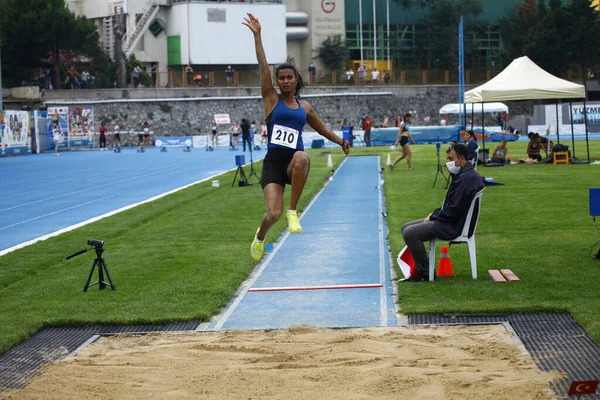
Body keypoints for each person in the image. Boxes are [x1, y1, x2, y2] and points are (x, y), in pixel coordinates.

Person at [243, 12, 350, 261]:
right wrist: (258, 36)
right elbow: (262, 66)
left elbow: (322, 130)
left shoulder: (306, 107)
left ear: (296, 80)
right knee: (272, 214)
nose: (285, 81)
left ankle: (294, 211)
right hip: (273, 164)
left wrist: (341, 141)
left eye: (289, 77)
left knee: (302, 156)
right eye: (281, 78)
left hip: (293, 163)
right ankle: (260, 237)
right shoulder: (271, 100)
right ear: (278, 82)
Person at [400, 143, 484, 282]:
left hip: (453, 225)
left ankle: (425, 274)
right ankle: (422, 270)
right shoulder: (464, 174)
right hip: (449, 220)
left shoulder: (466, 178)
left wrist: (433, 216)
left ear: (462, 159)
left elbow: (452, 211)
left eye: (451, 159)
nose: (448, 162)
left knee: (410, 233)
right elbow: (450, 206)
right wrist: (433, 215)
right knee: (405, 228)